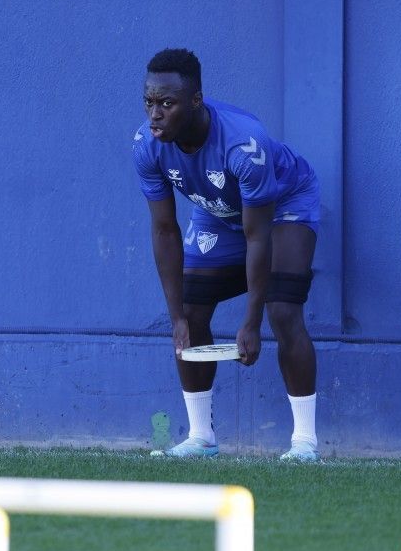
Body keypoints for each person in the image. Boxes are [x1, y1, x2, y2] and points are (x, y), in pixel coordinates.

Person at [133, 48, 321, 462]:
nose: (155, 114)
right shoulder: (147, 146)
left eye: (167, 103)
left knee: (282, 309)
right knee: (190, 310)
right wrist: (177, 320)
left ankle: (305, 442)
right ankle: (201, 437)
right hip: (218, 210)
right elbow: (164, 229)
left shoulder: (242, 146)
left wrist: (250, 323)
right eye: (149, 102)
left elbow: (258, 237)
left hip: (284, 204)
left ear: (196, 100)